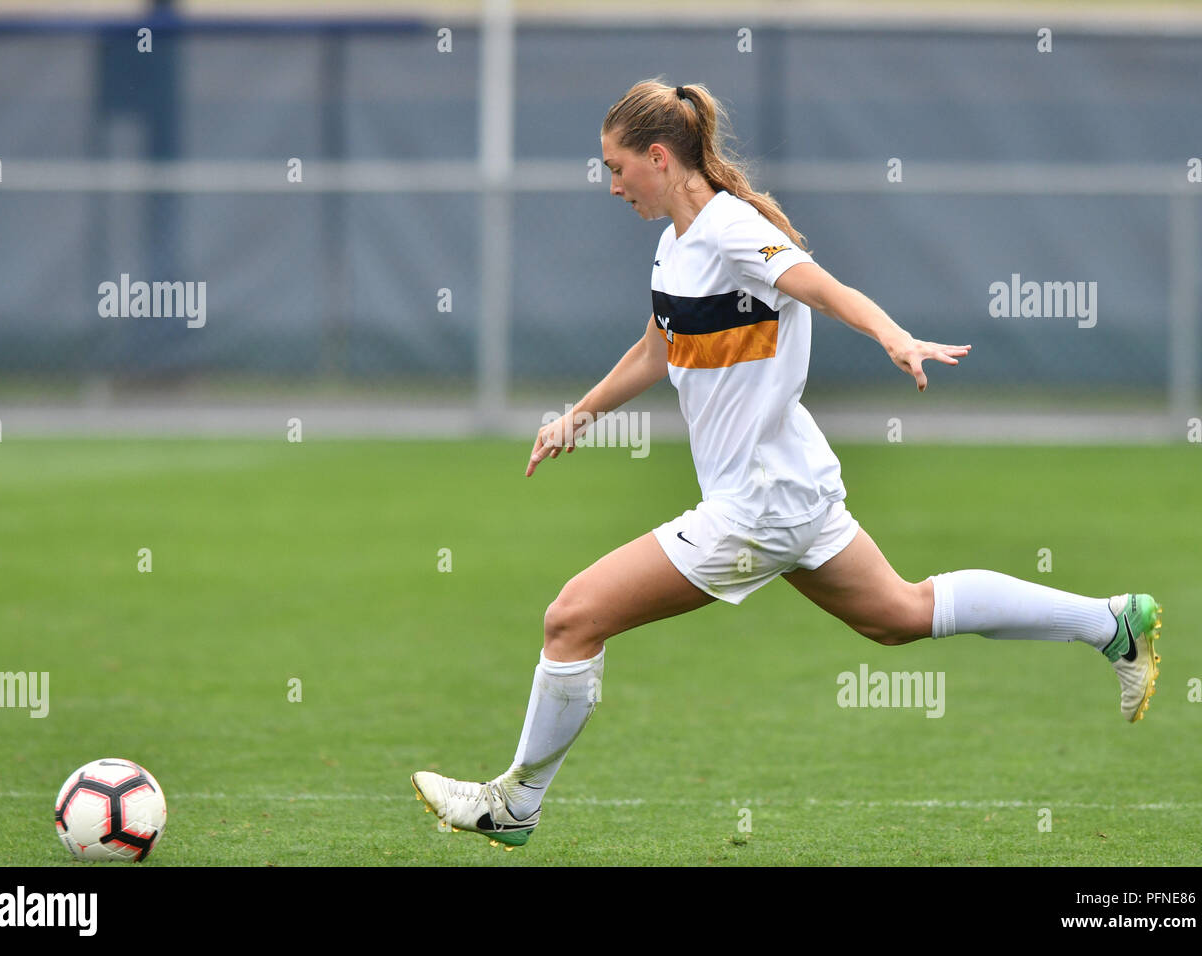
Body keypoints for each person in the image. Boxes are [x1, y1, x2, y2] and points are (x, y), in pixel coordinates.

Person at [411, 79, 1161, 850]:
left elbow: (827, 291)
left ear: (659, 158)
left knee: (571, 617)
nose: (611, 185)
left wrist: (894, 336)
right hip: (793, 486)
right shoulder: (676, 245)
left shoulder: (735, 232)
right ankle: (1110, 622)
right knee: (899, 615)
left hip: (758, 505)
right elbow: (656, 348)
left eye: (616, 167)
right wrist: (578, 416)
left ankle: (518, 801)